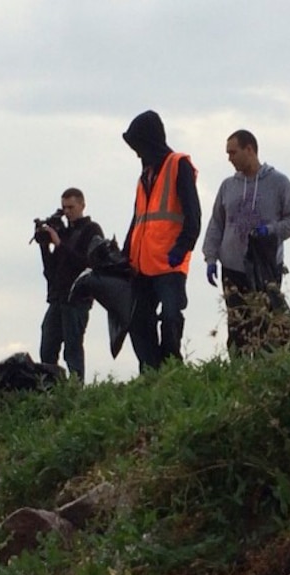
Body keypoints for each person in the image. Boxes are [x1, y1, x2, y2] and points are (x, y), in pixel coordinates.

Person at [203, 130, 290, 354]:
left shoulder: (278, 182)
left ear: (249, 150)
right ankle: (240, 375)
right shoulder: (228, 186)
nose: (229, 158)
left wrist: (270, 231)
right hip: (232, 268)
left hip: (264, 268)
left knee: (268, 325)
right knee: (238, 327)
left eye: (233, 152)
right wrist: (210, 257)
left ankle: (272, 371)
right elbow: (216, 224)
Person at [122, 109, 201, 372]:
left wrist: (183, 247)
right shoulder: (143, 176)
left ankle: (171, 368)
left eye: (138, 146)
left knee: (170, 317)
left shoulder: (179, 165)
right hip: (141, 265)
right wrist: (124, 255)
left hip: (169, 263)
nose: (136, 153)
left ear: (149, 141)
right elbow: (138, 220)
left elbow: (193, 213)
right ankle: (151, 371)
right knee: (137, 321)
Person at [34, 188, 105, 379]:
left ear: (82, 205)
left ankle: (75, 390)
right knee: (47, 347)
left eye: (71, 207)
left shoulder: (92, 230)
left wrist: (59, 244)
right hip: (58, 298)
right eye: (64, 207)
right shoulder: (64, 233)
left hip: (77, 299)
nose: (67, 212)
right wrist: (44, 246)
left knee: (72, 349)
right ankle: (50, 389)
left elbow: (89, 263)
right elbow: (51, 271)